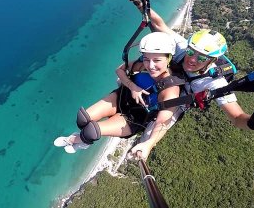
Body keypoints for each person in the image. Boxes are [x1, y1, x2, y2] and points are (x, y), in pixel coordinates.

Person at [126, 0, 254, 160]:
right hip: (167, 82)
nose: (192, 59)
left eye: (201, 58)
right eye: (191, 52)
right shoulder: (183, 48)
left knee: (160, 124)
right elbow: (158, 25)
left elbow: (236, 118)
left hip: (179, 100)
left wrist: (253, 123)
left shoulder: (215, 82)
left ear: (212, 60)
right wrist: (137, 1)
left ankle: (144, 146)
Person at [54, 32, 183, 157]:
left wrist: (149, 144)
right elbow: (120, 70)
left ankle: (75, 140)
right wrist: (133, 86)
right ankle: (83, 140)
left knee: (91, 132)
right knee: (82, 119)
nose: (151, 65)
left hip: (134, 118)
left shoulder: (170, 89)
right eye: (146, 59)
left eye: (157, 60)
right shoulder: (142, 65)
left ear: (169, 58)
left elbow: (162, 122)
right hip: (122, 97)